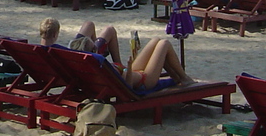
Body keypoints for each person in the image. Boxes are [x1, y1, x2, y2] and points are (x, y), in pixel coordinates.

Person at [38, 19, 193, 90]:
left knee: (156, 40)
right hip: (144, 81)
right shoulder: (99, 62)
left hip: (130, 73)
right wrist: (129, 68)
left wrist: (128, 68)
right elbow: (128, 85)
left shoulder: (97, 64)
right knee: (163, 44)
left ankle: (177, 77)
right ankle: (184, 78)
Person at [38, 18, 122, 65]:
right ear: (55, 35)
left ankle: (95, 46)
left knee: (89, 24)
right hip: (83, 60)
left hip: (74, 56)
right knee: (109, 30)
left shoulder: (36, 51)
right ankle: (119, 64)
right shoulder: (58, 51)